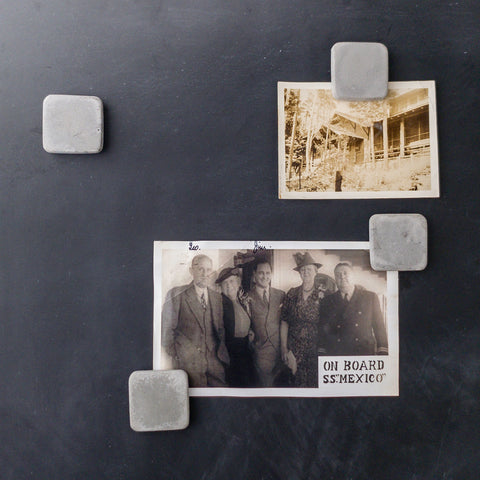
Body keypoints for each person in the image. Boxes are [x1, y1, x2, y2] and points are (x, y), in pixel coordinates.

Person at [161, 254, 229, 387]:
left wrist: (219, 356)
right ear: (191, 271)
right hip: (188, 366)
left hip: (215, 364)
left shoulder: (217, 298)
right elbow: (167, 332)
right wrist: (179, 356)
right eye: (200, 269)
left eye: (208, 270)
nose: (205, 274)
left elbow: (220, 330)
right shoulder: (177, 295)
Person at [320, 262, 388, 356]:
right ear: (335, 279)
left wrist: (383, 351)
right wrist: (321, 353)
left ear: (353, 276)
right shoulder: (327, 301)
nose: (342, 277)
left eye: (345, 273)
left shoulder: (370, 298)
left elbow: (379, 327)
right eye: (338, 275)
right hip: (337, 355)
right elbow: (323, 331)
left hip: (363, 354)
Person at [280, 252, 325, 388]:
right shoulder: (291, 294)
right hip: (294, 351)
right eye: (303, 269)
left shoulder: (323, 295)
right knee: (295, 386)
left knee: (314, 387)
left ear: (316, 272)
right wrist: (284, 349)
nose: (306, 272)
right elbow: (284, 322)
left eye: (309, 269)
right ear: (299, 272)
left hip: (316, 351)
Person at [216, 267, 255, 387]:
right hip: (232, 355)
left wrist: (249, 331)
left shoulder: (239, 301)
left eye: (232, 281)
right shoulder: (221, 303)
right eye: (225, 283)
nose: (229, 286)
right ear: (221, 287)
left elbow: (242, 321)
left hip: (245, 351)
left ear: (238, 283)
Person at [248, 259, 285, 387]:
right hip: (261, 353)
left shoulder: (281, 295)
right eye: (261, 273)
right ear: (254, 274)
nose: (265, 276)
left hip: (281, 352)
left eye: (268, 273)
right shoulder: (246, 297)